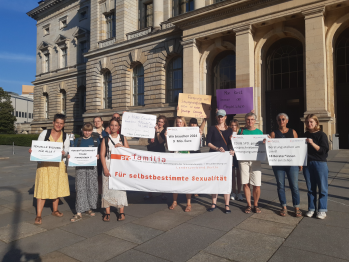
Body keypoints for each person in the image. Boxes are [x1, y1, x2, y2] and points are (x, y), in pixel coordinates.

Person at [28, 113, 70, 225]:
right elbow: (37, 146)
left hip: (58, 166)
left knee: (55, 187)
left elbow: (67, 151)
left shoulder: (65, 136)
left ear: (63, 124)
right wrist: (32, 150)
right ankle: (38, 215)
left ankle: (55, 210)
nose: (59, 125)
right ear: (53, 123)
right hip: (44, 166)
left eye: (61, 123)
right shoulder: (45, 133)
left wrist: (64, 153)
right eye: (57, 123)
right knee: (42, 188)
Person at [269, 113, 302, 217]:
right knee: (280, 186)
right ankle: (283, 206)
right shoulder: (273, 133)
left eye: (283, 119)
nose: (281, 121)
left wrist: (300, 162)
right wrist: (267, 142)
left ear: (287, 121)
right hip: (279, 164)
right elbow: (270, 148)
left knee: (295, 186)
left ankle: (296, 207)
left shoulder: (293, 132)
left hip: (292, 163)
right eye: (279, 120)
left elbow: (298, 148)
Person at [100, 118, 129, 221]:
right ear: (109, 127)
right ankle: (107, 212)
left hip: (119, 167)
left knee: (120, 189)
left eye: (116, 125)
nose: (113, 127)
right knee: (106, 189)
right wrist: (105, 168)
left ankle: (121, 211)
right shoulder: (105, 139)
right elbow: (102, 155)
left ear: (119, 127)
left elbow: (128, 152)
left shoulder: (122, 137)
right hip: (108, 165)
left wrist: (121, 147)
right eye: (112, 125)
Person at [70, 123, 100, 222]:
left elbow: (101, 151)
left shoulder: (96, 140)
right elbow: (72, 151)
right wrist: (70, 156)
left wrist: (99, 155)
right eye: (85, 130)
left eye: (89, 130)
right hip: (80, 167)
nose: (87, 132)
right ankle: (79, 211)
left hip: (92, 167)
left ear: (92, 131)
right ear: (82, 130)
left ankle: (88, 208)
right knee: (80, 187)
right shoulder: (77, 140)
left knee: (91, 187)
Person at [206, 109, 235, 214]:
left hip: (226, 159)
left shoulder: (230, 130)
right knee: (215, 179)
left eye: (222, 116)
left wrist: (232, 150)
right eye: (218, 116)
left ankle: (227, 204)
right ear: (216, 117)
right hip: (214, 157)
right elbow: (208, 142)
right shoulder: (212, 128)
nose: (220, 118)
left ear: (225, 117)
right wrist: (217, 148)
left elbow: (232, 145)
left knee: (226, 180)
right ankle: (214, 203)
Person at [303, 114, 329, 219]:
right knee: (310, 188)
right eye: (307, 122)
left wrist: (312, 143)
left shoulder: (321, 135)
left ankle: (322, 210)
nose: (309, 124)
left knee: (322, 188)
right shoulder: (304, 134)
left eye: (311, 122)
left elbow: (324, 151)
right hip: (308, 164)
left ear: (316, 123)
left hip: (320, 163)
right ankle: (311, 209)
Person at [238, 112, 263, 214]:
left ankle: (256, 204)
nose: (250, 121)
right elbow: (236, 143)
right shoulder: (241, 131)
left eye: (252, 119)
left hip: (256, 160)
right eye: (248, 119)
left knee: (257, 184)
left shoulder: (259, 132)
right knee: (246, 183)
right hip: (244, 160)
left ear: (255, 121)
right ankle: (248, 204)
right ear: (245, 120)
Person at [166, 116, 193, 212]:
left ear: (184, 123)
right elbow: (169, 148)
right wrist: (167, 137)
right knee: (175, 180)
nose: (179, 124)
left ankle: (188, 203)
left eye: (180, 122)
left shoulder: (189, 132)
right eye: (177, 122)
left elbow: (195, 144)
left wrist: (199, 134)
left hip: (186, 159)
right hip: (176, 158)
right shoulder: (172, 132)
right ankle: (174, 201)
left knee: (187, 181)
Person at [145, 115, 168, 200]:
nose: (160, 123)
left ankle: (163, 193)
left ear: (164, 123)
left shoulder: (165, 131)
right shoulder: (152, 129)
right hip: (151, 152)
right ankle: (149, 193)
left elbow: (161, 141)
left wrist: (157, 132)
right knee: (150, 174)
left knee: (161, 174)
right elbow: (147, 139)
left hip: (160, 153)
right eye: (159, 121)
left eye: (162, 122)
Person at [93, 116, 109, 208]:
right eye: (95, 121)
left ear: (102, 122)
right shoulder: (91, 132)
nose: (97, 123)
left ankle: (102, 197)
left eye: (98, 121)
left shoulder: (105, 133)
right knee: (95, 179)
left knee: (101, 178)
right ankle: (96, 198)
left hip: (104, 159)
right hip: (94, 159)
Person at [229, 119, 243, 201]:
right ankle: (233, 192)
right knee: (232, 175)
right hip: (231, 155)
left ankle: (239, 192)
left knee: (239, 175)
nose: (233, 127)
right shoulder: (228, 133)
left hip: (239, 155)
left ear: (237, 126)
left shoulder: (241, 133)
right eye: (232, 125)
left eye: (235, 125)